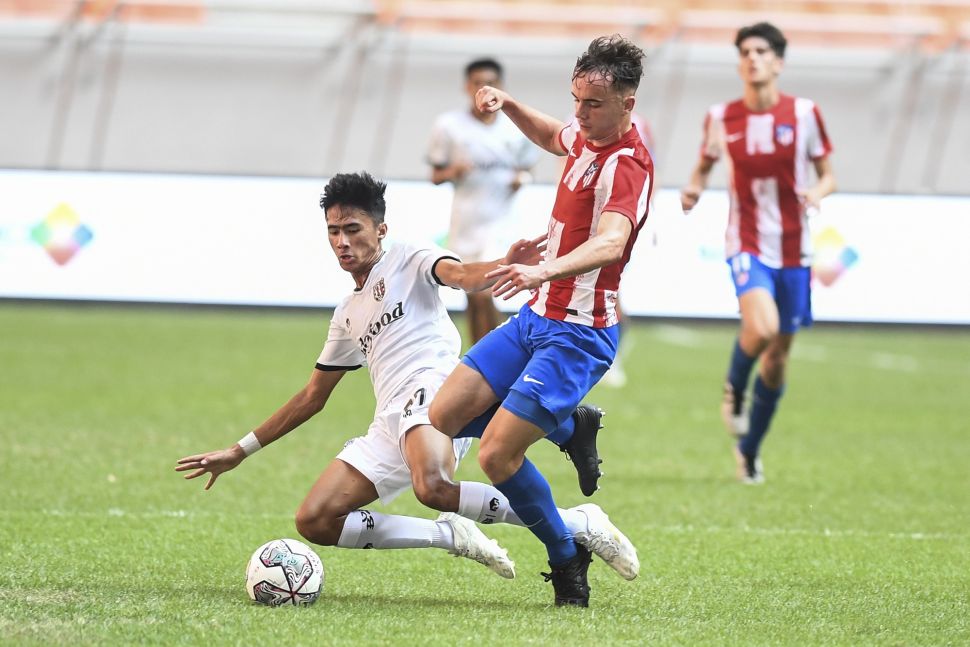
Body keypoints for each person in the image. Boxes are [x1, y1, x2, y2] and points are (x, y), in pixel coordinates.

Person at [176, 172, 636, 585]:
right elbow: (312, 397)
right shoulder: (346, 314)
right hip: (391, 420)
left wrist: (499, 265)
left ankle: (576, 523)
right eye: (333, 232)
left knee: (433, 485)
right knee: (316, 520)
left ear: (380, 229)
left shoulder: (409, 258)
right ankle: (448, 534)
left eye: (352, 229)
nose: (342, 242)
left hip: (435, 392)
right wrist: (240, 451)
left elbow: (461, 275)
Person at [427, 35, 653, 607]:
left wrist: (544, 267)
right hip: (537, 316)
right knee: (443, 415)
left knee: (497, 456)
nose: (579, 113)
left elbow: (610, 242)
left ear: (628, 102)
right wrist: (508, 103)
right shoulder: (585, 137)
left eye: (593, 104)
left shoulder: (628, 165)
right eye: (576, 99)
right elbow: (553, 135)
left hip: (579, 334)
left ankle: (564, 553)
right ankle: (567, 429)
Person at [680, 22, 836, 484]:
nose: (752, 58)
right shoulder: (721, 117)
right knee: (762, 327)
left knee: (779, 357)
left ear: (779, 62)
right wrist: (693, 187)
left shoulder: (805, 113)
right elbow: (704, 163)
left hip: (795, 249)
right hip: (746, 242)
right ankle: (734, 390)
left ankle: (749, 450)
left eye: (762, 51)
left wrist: (817, 192)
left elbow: (829, 173)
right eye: (745, 51)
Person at [428, 58, 540, 344]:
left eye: (489, 83)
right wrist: (453, 171)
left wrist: (521, 179)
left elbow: (529, 169)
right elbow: (436, 174)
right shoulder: (449, 125)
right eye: (477, 83)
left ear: (500, 87)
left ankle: (496, 351)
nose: (483, 89)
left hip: (502, 223)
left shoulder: (516, 126)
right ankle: (480, 355)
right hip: (466, 221)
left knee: (488, 291)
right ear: (468, 87)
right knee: (471, 293)